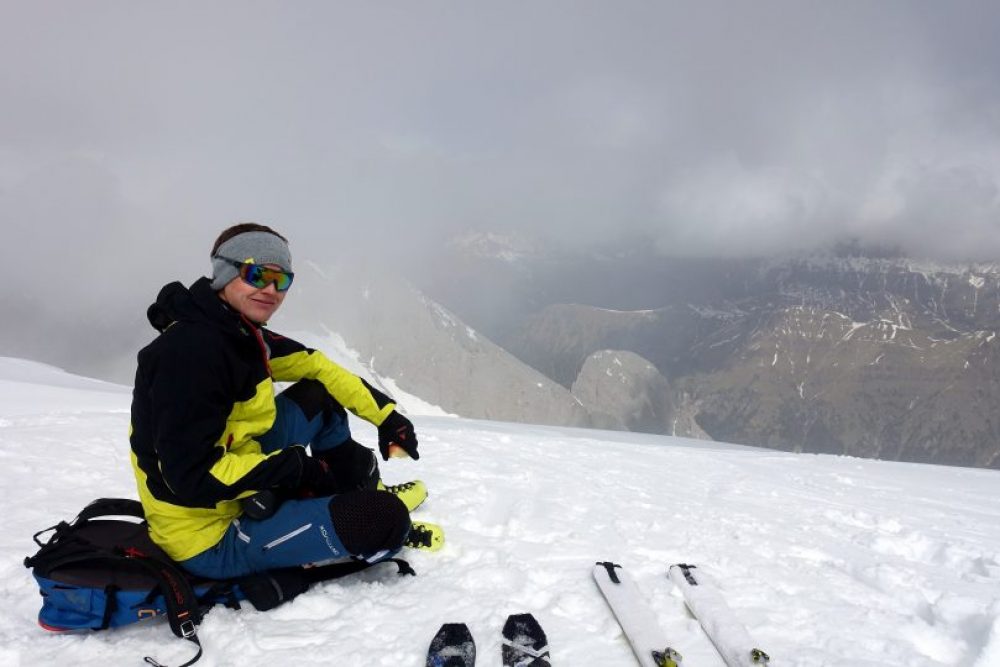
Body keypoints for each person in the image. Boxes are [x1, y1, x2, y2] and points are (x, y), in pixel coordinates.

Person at [129, 223, 440, 582]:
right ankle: (370, 519)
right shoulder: (190, 354)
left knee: (318, 397)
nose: (271, 290)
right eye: (257, 274)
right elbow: (191, 478)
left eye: (283, 279)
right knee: (382, 520)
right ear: (226, 272)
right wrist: (297, 469)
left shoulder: (238, 333)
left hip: (231, 476)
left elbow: (315, 365)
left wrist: (387, 417)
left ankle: (358, 490)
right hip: (208, 534)